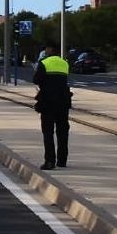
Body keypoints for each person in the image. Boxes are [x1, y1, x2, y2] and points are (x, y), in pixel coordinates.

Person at [32, 40, 72, 170]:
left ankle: (50, 161)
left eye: (46, 49)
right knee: (63, 131)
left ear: (50, 49)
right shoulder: (65, 64)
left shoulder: (44, 63)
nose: (45, 51)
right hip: (63, 101)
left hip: (48, 102)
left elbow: (36, 80)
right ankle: (62, 160)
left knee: (48, 132)